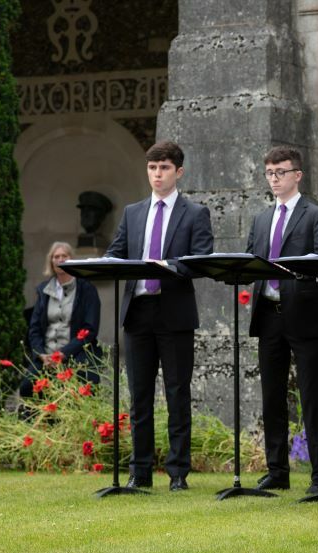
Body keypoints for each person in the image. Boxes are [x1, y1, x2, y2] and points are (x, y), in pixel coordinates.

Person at [105, 141, 214, 492]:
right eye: (152, 168)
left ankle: (178, 473)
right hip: (137, 314)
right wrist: (103, 264)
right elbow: (117, 253)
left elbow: (201, 260)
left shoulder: (195, 213)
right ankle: (140, 472)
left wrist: (169, 267)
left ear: (178, 172)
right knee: (139, 397)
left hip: (174, 315)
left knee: (177, 394)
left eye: (164, 168)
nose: (157, 174)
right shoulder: (133, 212)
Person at [245, 146, 318, 495]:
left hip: (305, 315)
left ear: (297, 175)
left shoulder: (316, 215)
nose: (274, 179)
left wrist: (300, 270)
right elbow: (253, 259)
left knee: (313, 398)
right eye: (269, 173)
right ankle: (277, 471)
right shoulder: (261, 218)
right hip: (268, 316)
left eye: (280, 172)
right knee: (272, 397)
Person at [21, 241, 101, 398]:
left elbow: (89, 329)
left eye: (64, 255)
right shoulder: (44, 290)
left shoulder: (87, 289)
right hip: (46, 356)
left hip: (75, 354)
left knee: (82, 385)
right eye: (56, 256)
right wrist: (42, 355)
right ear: (51, 261)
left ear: (72, 259)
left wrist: (63, 354)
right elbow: (34, 329)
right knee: (27, 386)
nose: (60, 259)